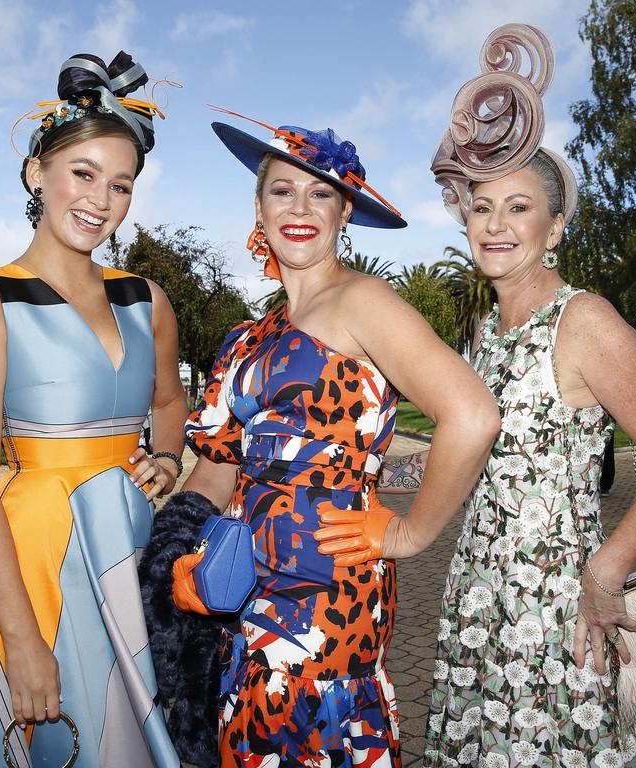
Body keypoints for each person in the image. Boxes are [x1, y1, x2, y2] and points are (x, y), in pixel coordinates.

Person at [359, 25, 636, 766]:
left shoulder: (586, 321)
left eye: (518, 207)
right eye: (482, 207)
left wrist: (606, 573)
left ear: (556, 226)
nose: (496, 224)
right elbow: (483, 458)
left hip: (562, 607)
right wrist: (374, 474)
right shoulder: (486, 332)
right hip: (483, 596)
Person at [163, 113, 500, 767]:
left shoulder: (362, 302)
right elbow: (213, 471)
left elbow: (474, 415)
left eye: (321, 193)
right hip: (242, 600)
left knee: (315, 739)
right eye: (282, 190)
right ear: (257, 207)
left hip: (327, 603)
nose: (300, 207)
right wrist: (178, 553)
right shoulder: (247, 338)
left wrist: (408, 533)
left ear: (345, 211)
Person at [0, 51, 185, 767]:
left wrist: (166, 457)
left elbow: (169, 399)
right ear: (35, 173)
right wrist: (19, 637)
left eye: (121, 185)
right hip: (32, 564)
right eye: (84, 174)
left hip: (129, 553)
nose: (101, 201)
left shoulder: (146, 298)